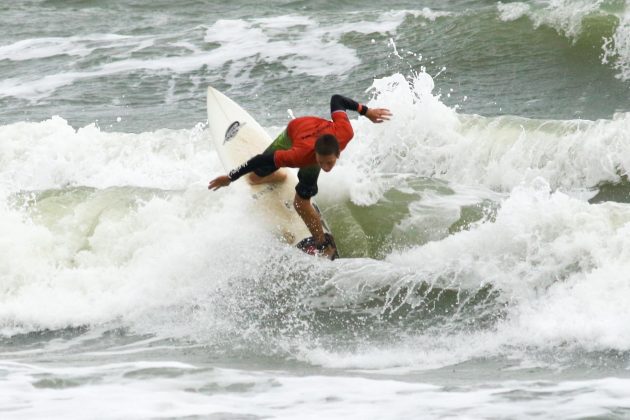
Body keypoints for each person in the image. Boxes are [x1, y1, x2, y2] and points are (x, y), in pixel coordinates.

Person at [208, 94, 392, 257]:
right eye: (322, 162)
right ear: (316, 155)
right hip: (294, 132)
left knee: (300, 203)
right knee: (254, 177)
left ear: (338, 153)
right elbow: (259, 159)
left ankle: (322, 243)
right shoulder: (299, 154)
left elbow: (337, 99)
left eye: (329, 162)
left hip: (313, 142)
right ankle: (277, 175)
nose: (326, 167)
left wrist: (366, 111)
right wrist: (230, 178)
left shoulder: (345, 132)